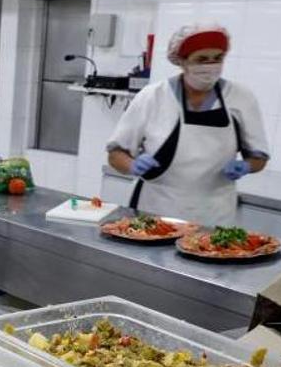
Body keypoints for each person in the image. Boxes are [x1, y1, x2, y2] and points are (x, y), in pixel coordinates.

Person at [106, 24, 269, 226]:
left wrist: (246, 166)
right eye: (201, 59)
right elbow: (116, 154)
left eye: (217, 58)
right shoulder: (153, 96)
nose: (210, 65)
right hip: (157, 208)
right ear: (182, 61)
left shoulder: (240, 98)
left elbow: (259, 158)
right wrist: (132, 165)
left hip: (215, 213)